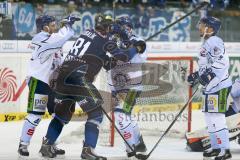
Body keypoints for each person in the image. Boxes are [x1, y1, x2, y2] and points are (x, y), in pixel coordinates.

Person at [38, 14, 116, 159]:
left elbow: (104, 60)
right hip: (78, 77)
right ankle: (88, 150)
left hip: (62, 77)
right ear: (106, 27)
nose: (112, 30)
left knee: (62, 114)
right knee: (96, 113)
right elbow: (113, 55)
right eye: (110, 26)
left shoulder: (87, 33)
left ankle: (47, 145)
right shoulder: (104, 40)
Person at [17, 14, 80, 157]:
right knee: (36, 115)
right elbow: (59, 40)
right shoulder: (40, 38)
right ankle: (23, 145)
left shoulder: (52, 41)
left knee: (58, 116)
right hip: (38, 82)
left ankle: (51, 143)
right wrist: (68, 26)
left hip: (53, 84)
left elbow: (59, 60)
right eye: (52, 25)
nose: (55, 27)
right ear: (45, 27)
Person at [187, 16, 232, 160]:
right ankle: (216, 147)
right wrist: (196, 75)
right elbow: (206, 66)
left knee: (217, 118)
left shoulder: (214, 41)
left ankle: (225, 150)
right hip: (211, 87)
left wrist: (209, 75)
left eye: (203, 25)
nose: (199, 26)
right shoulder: (206, 42)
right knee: (209, 117)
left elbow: (223, 62)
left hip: (220, 86)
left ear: (210, 29)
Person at [107, 16, 147, 158]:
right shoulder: (111, 42)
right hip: (116, 87)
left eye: (121, 27)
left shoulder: (138, 41)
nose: (118, 30)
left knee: (120, 115)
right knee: (125, 116)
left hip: (131, 86)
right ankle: (138, 143)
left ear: (128, 28)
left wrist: (126, 41)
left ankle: (131, 148)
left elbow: (136, 56)